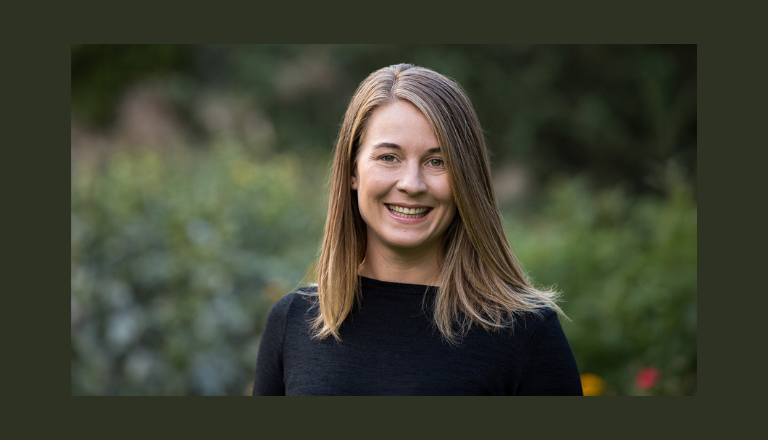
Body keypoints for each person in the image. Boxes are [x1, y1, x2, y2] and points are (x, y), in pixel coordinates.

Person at [252, 63, 582, 396]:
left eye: (437, 162)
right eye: (388, 157)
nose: (412, 184)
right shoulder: (293, 322)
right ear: (353, 171)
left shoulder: (526, 334)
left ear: (467, 180)